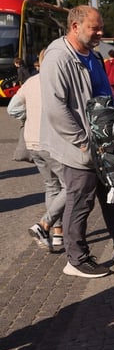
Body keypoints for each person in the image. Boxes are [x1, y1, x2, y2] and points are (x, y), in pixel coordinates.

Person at [40, 5, 114, 278]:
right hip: (79, 146)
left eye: (100, 27)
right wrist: (83, 141)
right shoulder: (58, 56)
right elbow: (55, 107)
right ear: (75, 27)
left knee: (113, 193)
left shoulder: (92, 55)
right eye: (94, 28)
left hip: (102, 142)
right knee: (80, 199)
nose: (100, 32)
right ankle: (75, 259)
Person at [8, 50, 65, 252]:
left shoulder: (31, 82)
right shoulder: (57, 81)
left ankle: (57, 233)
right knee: (72, 186)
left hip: (32, 142)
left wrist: (29, 114)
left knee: (51, 187)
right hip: (53, 142)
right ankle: (45, 224)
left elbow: (12, 109)